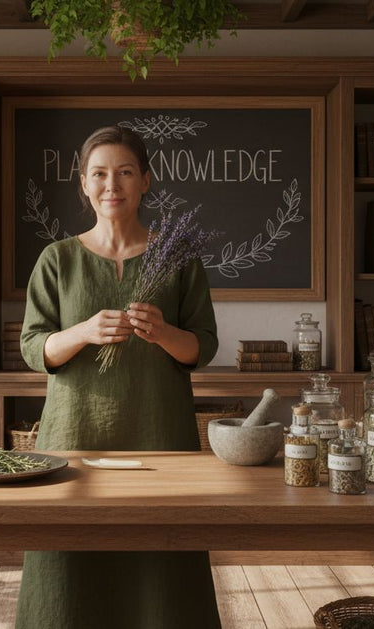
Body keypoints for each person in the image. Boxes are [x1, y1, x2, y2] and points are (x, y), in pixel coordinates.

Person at [16, 125, 221, 629]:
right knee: (68, 560)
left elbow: (203, 346)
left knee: (163, 562)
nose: (113, 184)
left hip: (159, 434)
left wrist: (164, 333)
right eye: (100, 173)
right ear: (83, 184)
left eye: (126, 172)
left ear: (146, 181)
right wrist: (83, 331)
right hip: (75, 435)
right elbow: (32, 348)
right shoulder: (57, 259)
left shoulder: (179, 258)